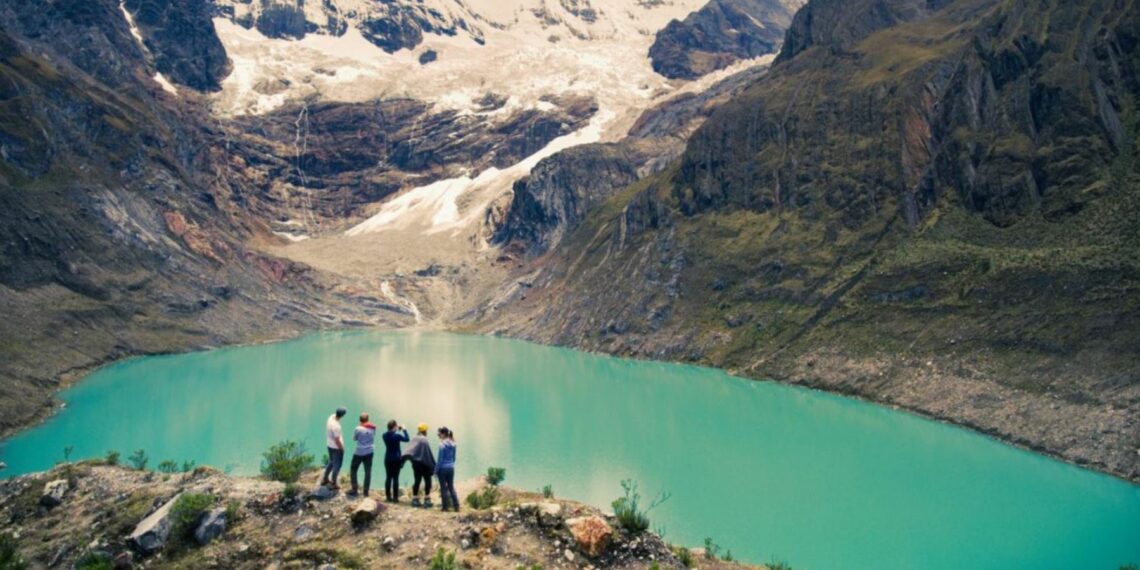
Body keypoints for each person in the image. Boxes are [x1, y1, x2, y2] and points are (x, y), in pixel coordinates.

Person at [402, 423, 436, 507]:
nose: (427, 432)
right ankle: (427, 500)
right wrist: (433, 464)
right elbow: (428, 453)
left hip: (416, 464)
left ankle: (415, 499)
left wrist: (406, 459)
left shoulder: (414, 438)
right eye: (426, 430)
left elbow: (409, 450)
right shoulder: (424, 439)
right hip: (424, 465)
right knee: (428, 481)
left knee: (417, 481)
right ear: (424, 431)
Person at [348, 412, 377, 497]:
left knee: (353, 469)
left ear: (360, 420)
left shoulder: (358, 428)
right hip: (370, 452)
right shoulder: (373, 428)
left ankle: (354, 489)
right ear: (368, 419)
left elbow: (355, 438)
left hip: (359, 452)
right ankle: (366, 491)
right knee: (368, 471)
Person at [382, 420, 410, 502]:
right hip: (396, 459)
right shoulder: (397, 436)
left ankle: (388, 497)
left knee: (388, 477)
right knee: (395, 478)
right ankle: (395, 498)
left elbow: (390, 433)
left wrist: (396, 429)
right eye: (396, 426)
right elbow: (407, 439)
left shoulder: (384, 435)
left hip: (388, 458)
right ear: (394, 426)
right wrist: (404, 430)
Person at [321, 407, 347, 490]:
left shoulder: (331, 417)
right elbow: (337, 440)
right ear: (342, 415)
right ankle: (334, 483)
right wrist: (342, 449)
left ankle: (325, 479)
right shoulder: (336, 427)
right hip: (336, 448)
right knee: (337, 466)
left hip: (329, 445)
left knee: (331, 462)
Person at [435, 426, 459, 512]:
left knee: (443, 488)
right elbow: (454, 457)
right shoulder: (453, 444)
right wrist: (451, 464)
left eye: (440, 434)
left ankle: (445, 507)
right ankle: (456, 506)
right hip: (451, 468)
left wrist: (435, 470)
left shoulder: (441, 445)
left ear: (443, 434)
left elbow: (440, 460)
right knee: (451, 487)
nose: (439, 436)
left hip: (442, 469)